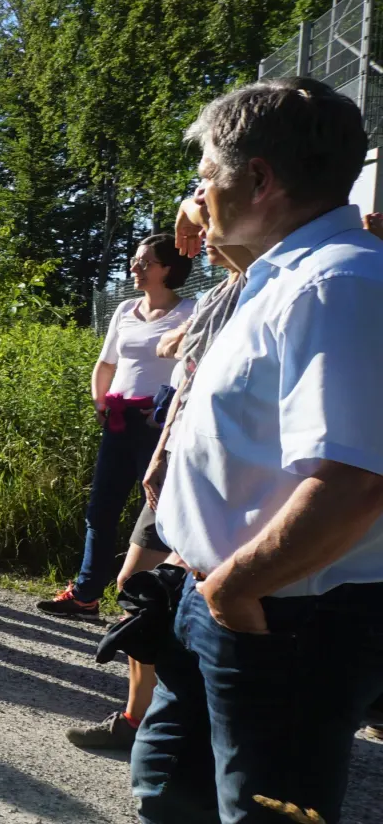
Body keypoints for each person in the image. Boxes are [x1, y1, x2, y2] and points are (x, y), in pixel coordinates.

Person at [127, 77, 383, 823]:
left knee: (264, 814)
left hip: (283, 617)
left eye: (206, 178)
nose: (197, 197)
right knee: (172, 796)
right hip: (223, 602)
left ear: (261, 179)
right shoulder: (279, 277)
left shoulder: (337, 284)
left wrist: (233, 592)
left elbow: (354, 482)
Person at [67, 214, 252, 750]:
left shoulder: (269, 292)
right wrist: (162, 451)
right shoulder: (220, 296)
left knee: (195, 600)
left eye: (213, 219)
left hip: (230, 478)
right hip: (176, 459)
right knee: (138, 589)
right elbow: (185, 376)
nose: (200, 233)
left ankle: (182, 717)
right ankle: (139, 717)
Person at [37, 234, 195, 617]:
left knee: (160, 511)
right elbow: (106, 364)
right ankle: (86, 594)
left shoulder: (191, 312)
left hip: (160, 429)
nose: (134, 268)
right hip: (118, 423)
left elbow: (194, 371)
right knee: (101, 509)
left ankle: (152, 602)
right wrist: (100, 400)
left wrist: (164, 410)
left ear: (168, 270)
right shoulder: (125, 309)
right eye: (135, 261)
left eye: (145, 263)